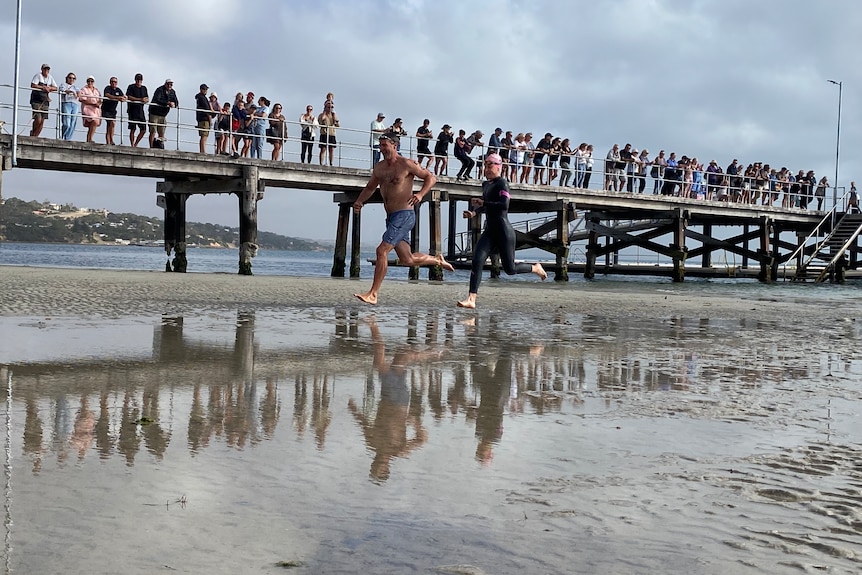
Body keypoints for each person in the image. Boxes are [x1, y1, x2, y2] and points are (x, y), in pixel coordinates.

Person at [352, 134, 455, 305]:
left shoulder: (406, 164)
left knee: (381, 251)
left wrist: (421, 194)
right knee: (407, 259)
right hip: (392, 217)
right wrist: (359, 201)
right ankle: (437, 260)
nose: (382, 148)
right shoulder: (379, 167)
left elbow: (431, 177)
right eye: (380, 145)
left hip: (405, 215)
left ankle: (373, 294)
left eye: (385, 145)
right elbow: (370, 187)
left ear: (395, 145)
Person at [456, 153, 547, 309]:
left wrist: (483, 202)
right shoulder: (486, 185)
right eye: (485, 165)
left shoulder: (503, 183)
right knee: (477, 261)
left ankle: (535, 268)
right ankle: (471, 299)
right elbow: (486, 206)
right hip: (490, 231)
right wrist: (474, 213)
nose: (487, 168)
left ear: (498, 166)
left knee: (510, 269)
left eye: (490, 165)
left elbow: (504, 205)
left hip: (504, 231)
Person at [148, 79, 178, 148]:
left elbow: (176, 102)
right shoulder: (159, 90)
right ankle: (151, 146)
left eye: (171, 84)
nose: (170, 85)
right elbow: (157, 100)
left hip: (163, 114)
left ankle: (161, 146)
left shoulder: (172, 92)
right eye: (168, 84)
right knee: (153, 131)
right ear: (165, 84)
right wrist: (167, 103)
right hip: (154, 113)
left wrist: (174, 104)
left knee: (162, 131)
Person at [29, 64, 58, 137]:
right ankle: (33, 132)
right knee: (38, 118)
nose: (46, 71)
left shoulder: (50, 78)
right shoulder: (38, 76)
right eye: (45, 69)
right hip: (36, 100)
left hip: (45, 101)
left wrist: (49, 88)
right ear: (42, 69)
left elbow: (56, 88)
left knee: (42, 120)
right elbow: (33, 85)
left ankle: (35, 135)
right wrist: (43, 87)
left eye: (48, 69)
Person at [125, 73, 148, 147]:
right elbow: (129, 97)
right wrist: (140, 99)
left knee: (143, 129)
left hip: (140, 111)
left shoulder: (144, 88)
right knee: (133, 129)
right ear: (135, 80)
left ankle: (136, 144)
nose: (139, 81)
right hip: (132, 110)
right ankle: (132, 144)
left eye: (140, 80)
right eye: (137, 80)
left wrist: (145, 100)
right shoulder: (131, 87)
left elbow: (147, 98)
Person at [101, 77, 125, 145]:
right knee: (111, 123)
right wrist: (118, 98)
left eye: (115, 82)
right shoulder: (107, 88)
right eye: (112, 81)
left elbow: (123, 96)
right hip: (106, 109)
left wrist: (123, 98)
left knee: (111, 125)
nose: (113, 83)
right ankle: (110, 140)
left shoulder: (118, 90)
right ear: (110, 82)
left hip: (113, 111)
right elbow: (107, 95)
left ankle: (109, 141)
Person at [77, 76, 102, 143]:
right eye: (88, 81)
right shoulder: (84, 89)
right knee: (94, 121)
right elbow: (81, 99)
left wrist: (99, 103)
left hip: (96, 109)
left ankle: (89, 138)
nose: (90, 82)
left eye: (91, 81)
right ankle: (90, 139)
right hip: (87, 108)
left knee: (94, 123)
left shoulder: (97, 90)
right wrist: (92, 104)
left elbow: (100, 99)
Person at [58, 72, 80, 141]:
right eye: (70, 78)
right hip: (66, 103)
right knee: (66, 122)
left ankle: (68, 138)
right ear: (67, 78)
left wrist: (77, 93)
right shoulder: (63, 84)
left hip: (75, 104)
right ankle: (63, 135)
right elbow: (63, 90)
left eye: (73, 78)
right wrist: (72, 92)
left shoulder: (76, 87)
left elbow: (79, 93)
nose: (71, 79)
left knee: (73, 122)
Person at [318, 101, 339, 166]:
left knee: (331, 149)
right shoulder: (321, 115)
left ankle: (331, 163)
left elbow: (337, 125)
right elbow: (320, 122)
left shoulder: (334, 115)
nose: (330, 108)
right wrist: (324, 114)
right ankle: (321, 163)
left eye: (332, 107)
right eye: (328, 107)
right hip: (324, 133)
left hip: (331, 133)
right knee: (323, 149)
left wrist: (334, 118)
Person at [194, 83, 213, 154]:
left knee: (203, 135)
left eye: (206, 89)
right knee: (204, 136)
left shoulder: (200, 97)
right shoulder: (202, 98)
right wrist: (210, 118)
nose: (205, 90)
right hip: (204, 119)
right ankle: (203, 151)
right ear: (201, 89)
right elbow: (206, 109)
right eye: (204, 89)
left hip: (201, 118)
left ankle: (202, 150)